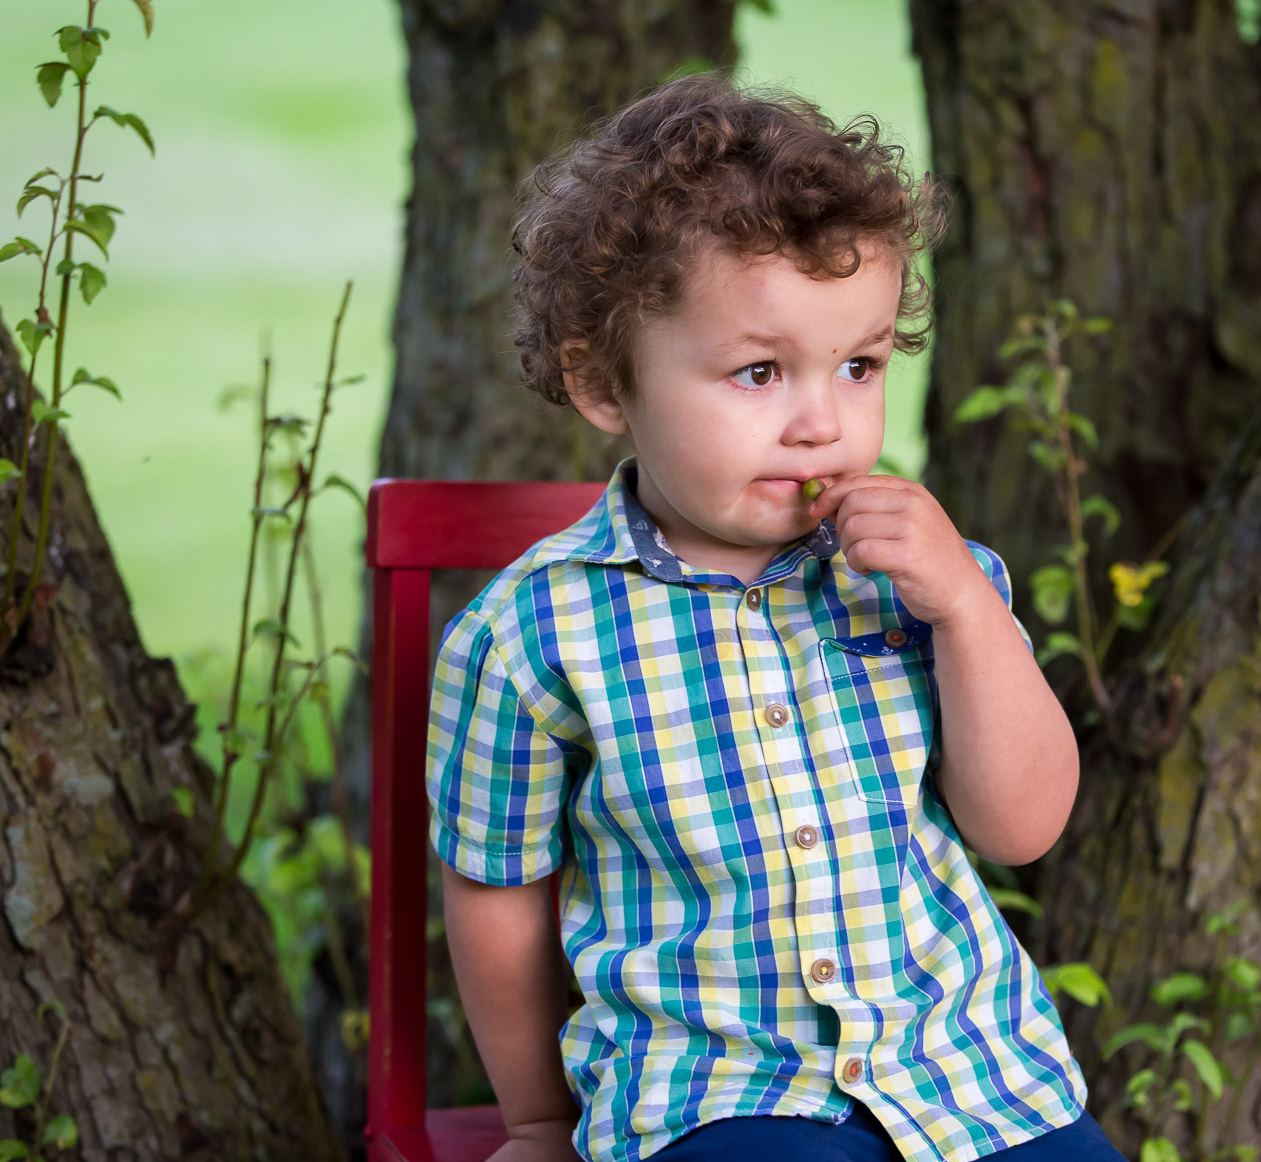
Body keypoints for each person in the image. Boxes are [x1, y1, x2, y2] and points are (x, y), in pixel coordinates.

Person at [426, 71, 1122, 1162]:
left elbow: (1020, 830)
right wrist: (537, 1120)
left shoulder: (933, 581)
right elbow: (495, 892)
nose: (822, 424)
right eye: (759, 373)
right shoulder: (531, 637)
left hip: (971, 1079)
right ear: (604, 384)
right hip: (718, 1096)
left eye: (859, 366)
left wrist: (965, 613)